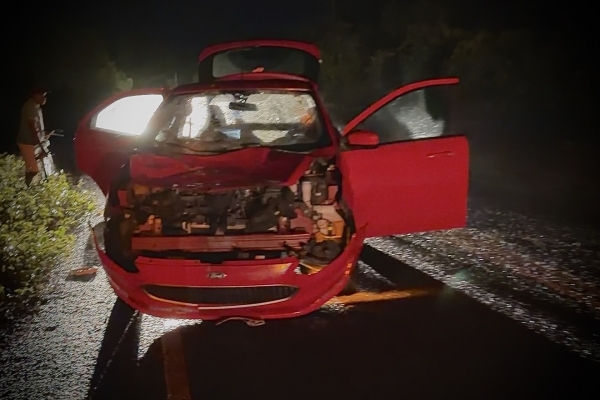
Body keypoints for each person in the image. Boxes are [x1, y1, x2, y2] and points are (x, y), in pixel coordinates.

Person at [16, 88, 50, 185]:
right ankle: (27, 188)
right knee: (33, 170)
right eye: (43, 95)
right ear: (36, 96)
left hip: (32, 142)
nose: (45, 98)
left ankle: (29, 186)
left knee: (34, 166)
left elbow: (36, 127)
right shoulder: (30, 107)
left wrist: (43, 135)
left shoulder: (36, 106)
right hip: (27, 143)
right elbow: (32, 127)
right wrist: (41, 146)